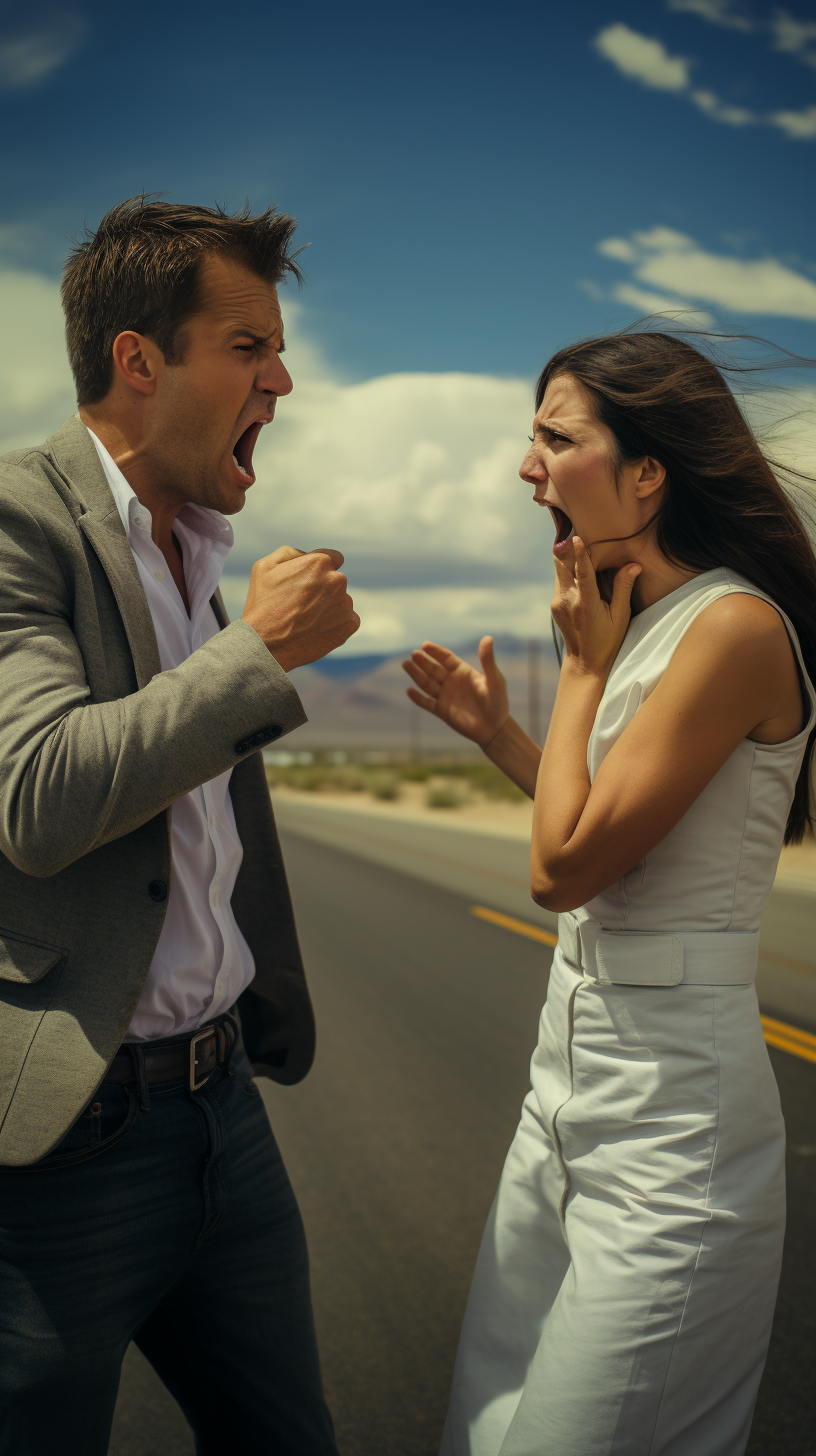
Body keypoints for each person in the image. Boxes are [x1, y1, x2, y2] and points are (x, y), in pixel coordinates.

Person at [403, 330, 816, 1456]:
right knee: (484, 1432)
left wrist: (581, 672)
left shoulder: (732, 628)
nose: (527, 465)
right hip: (563, 1103)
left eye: (555, 436)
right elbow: (606, 837)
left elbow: (559, 870)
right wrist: (501, 734)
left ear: (649, 471)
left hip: (676, 1138)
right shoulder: (644, 627)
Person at [0, 197, 359, 1455]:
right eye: (250, 347)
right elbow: (37, 797)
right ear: (139, 361)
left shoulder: (200, 548)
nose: (286, 378)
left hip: (226, 1119)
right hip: (63, 1155)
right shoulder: (17, 521)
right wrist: (256, 652)